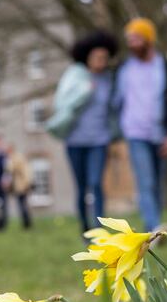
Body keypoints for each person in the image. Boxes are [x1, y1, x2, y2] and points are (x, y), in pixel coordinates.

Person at [114, 17, 167, 232]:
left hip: (161, 133)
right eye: (129, 39)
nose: (132, 43)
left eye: (136, 38)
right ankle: (155, 226)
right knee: (145, 181)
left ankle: (153, 224)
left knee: (157, 184)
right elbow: (117, 100)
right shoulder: (125, 70)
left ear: (148, 40)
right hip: (135, 132)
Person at [47, 31, 119, 234]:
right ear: (87, 57)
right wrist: (85, 91)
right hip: (75, 141)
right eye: (97, 58)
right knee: (82, 188)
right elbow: (61, 104)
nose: (101, 62)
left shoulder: (108, 79)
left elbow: (114, 107)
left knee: (96, 183)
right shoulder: (74, 76)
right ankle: (85, 228)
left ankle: (99, 230)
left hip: (100, 140)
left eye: (105, 58)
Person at [4, 143, 33, 229]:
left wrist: (27, 183)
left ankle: (27, 224)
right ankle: (26, 224)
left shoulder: (16, 158)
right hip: (19, 185)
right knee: (22, 204)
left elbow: (11, 168)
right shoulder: (15, 157)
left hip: (21, 185)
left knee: (22, 205)